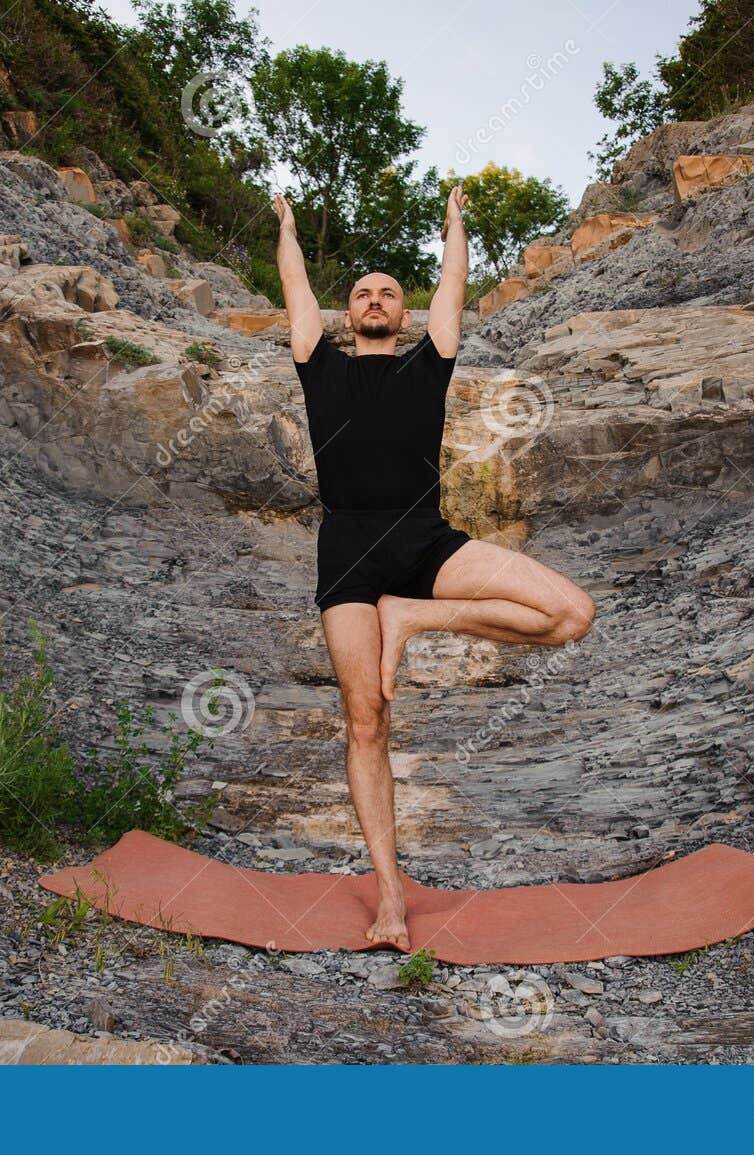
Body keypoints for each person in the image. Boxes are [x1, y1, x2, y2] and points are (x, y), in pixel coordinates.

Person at [272, 184, 596, 949]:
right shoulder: (319, 365)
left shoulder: (430, 363)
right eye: (362, 293)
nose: (376, 298)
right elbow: (294, 285)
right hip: (347, 550)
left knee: (571, 612)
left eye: (389, 291)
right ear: (346, 316)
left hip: (426, 542)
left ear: (405, 315)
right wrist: (287, 224)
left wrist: (456, 226)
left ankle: (414, 615)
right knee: (366, 720)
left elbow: (452, 284)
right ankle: (390, 899)